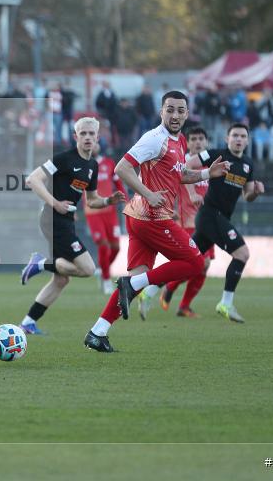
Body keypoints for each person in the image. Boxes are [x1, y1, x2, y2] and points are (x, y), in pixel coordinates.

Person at [83, 90, 230, 353]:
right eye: (170, 109)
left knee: (136, 280)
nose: (175, 115)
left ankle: (97, 332)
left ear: (187, 113)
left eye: (180, 110)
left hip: (140, 218)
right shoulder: (154, 139)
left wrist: (209, 173)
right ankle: (133, 286)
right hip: (152, 217)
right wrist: (148, 193)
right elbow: (122, 168)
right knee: (195, 262)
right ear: (161, 111)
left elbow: (180, 174)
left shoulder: (180, 141)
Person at [18, 118, 126, 335]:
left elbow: (92, 200)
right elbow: (33, 180)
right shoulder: (64, 159)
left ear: (97, 138)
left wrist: (108, 201)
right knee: (87, 269)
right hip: (52, 219)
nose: (87, 137)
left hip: (66, 221)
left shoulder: (92, 166)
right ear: (75, 137)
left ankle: (28, 322)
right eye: (83, 133)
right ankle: (41, 264)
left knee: (61, 279)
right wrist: (55, 203)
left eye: (91, 134)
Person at [188, 123, 263, 323]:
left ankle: (148, 289)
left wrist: (255, 191)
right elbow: (187, 164)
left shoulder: (248, 164)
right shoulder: (215, 154)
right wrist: (193, 191)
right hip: (210, 214)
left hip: (218, 218)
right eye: (235, 136)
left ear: (247, 141)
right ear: (226, 139)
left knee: (187, 261)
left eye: (242, 136)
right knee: (242, 253)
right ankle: (226, 303)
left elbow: (247, 196)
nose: (238, 139)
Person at [138, 126, 214, 319]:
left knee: (203, 267)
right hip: (187, 222)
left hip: (207, 223)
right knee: (196, 262)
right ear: (187, 143)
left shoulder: (209, 167)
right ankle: (159, 288)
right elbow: (180, 180)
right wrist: (191, 194)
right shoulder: (182, 162)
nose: (197, 142)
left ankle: (183, 305)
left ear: (207, 142)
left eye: (201, 139)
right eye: (193, 139)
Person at [83, 143, 127, 295]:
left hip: (110, 211)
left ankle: (103, 272)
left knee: (116, 248)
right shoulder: (81, 164)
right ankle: (107, 280)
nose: (93, 146)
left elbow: (118, 183)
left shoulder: (108, 163)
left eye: (96, 143)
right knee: (103, 244)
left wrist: (125, 200)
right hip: (93, 211)